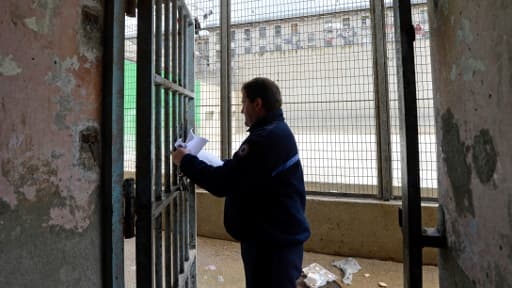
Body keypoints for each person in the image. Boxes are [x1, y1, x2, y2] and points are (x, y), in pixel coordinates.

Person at [173, 77, 310, 288]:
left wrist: (185, 160)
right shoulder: (275, 132)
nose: (241, 110)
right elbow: (246, 172)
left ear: (258, 104)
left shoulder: (265, 139)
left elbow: (222, 183)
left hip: (273, 246)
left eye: (243, 102)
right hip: (275, 239)